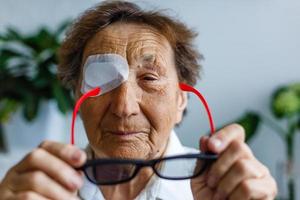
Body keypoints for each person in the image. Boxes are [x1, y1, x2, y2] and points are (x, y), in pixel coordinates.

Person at [0, 1, 277, 199]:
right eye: (102, 81)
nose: (124, 108)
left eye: (150, 79)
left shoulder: (223, 190)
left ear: (181, 100)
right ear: (78, 99)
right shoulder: (39, 189)